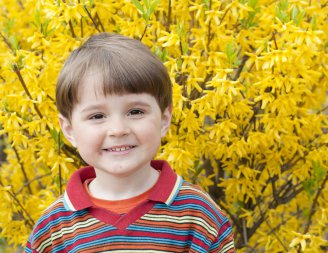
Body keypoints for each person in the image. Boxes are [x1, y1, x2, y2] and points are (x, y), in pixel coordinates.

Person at [24, 33, 235, 253]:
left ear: (164, 120)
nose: (118, 130)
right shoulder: (55, 228)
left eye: (135, 112)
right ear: (69, 130)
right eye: (97, 116)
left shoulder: (198, 215)